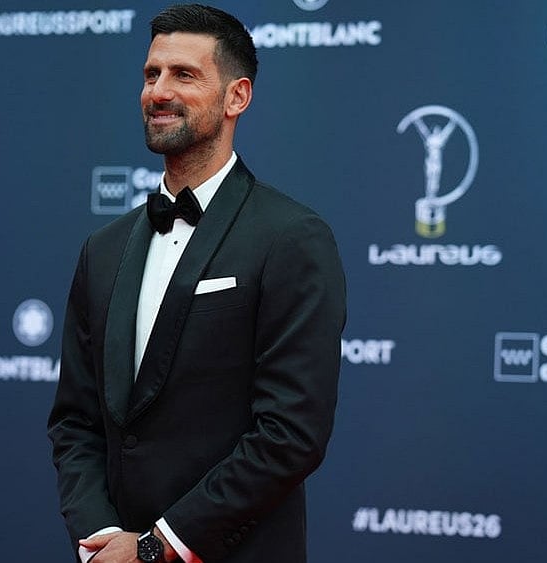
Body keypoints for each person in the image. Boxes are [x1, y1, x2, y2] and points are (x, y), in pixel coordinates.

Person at [48, 4, 347, 562]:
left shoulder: (290, 237)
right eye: (151, 74)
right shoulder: (103, 249)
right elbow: (75, 420)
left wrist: (157, 547)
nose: (159, 91)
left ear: (237, 97)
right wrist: (100, 540)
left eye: (184, 75)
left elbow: (290, 433)